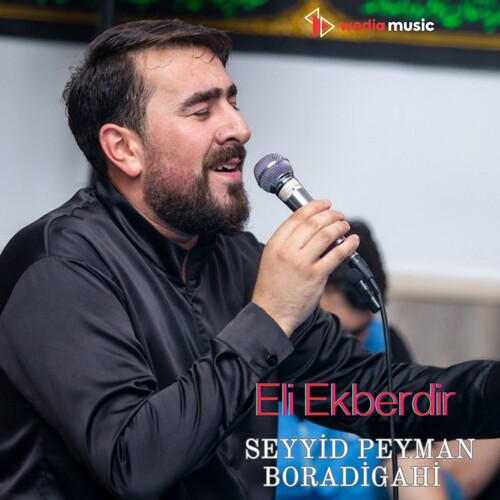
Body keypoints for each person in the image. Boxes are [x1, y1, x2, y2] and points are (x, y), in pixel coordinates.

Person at [0, 19, 498, 499]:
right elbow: (135, 462)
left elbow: (369, 393)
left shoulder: (237, 258)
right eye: (202, 111)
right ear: (125, 149)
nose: (239, 128)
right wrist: (271, 316)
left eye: (233, 102)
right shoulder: (57, 266)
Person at [276, 221, 455, 500]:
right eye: (331, 330)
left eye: (359, 331)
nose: (347, 347)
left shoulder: (386, 345)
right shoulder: (255, 350)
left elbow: (410, 461)